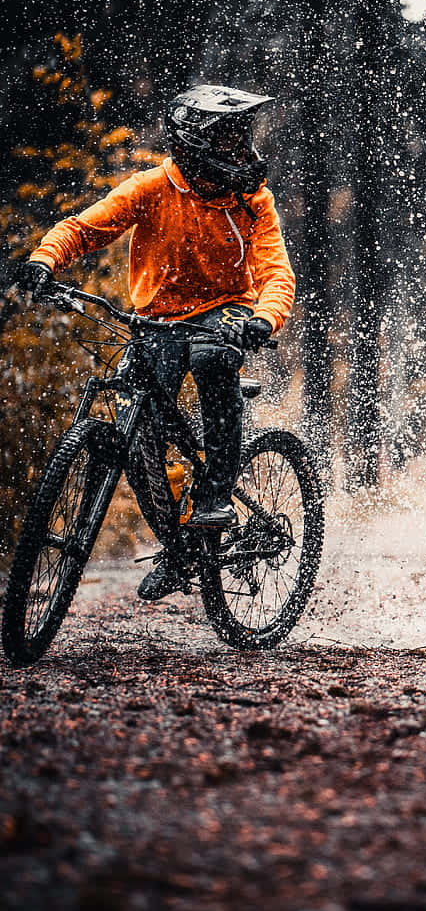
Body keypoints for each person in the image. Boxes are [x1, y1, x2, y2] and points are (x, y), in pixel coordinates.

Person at [18, 83, 296, 600]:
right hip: (157, 320)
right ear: (196, 144)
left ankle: (215, 499)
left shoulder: (253, 200)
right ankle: (178, 545)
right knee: (134, 424)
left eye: (244, 140)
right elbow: (85, 228)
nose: (244, 152)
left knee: (215, 356)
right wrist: (44, 260)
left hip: (225, 311)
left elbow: (277, 272)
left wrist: (264, 319)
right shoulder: (150, 188)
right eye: (231, 141)